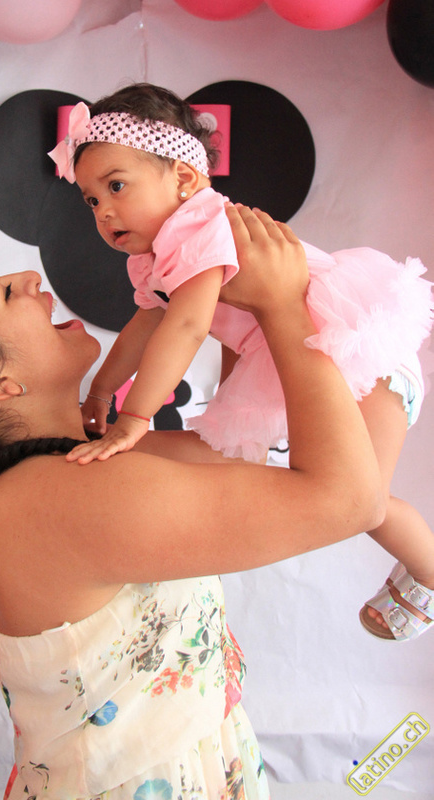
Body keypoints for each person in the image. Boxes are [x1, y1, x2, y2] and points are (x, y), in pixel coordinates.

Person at [0, 206, 384, 799]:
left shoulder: (74, 469)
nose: (29, 279)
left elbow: (239, 453)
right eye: (3, 292)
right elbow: (348, 500)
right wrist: (282, 309)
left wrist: (245, 315)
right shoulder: (62, 498)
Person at [48, 82, 434, 644]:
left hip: (357, 353)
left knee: (365, 501)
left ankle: (430, 572)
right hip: (305, 359)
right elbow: (145, 325)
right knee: (310, 483)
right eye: (91, 200)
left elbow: (187, 325)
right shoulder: (158, 254)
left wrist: (134, 418)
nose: (103, 210)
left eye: (116, 186)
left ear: (184, 178)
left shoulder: (202, 227)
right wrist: (102, 389)